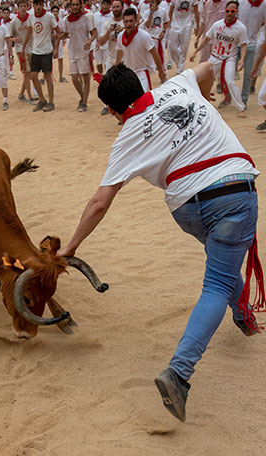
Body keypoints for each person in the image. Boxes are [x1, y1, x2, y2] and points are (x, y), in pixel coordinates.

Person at [58, 61, 261, 423]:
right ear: (142, 84)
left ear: (111, 109)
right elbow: (209, 67)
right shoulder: (179, 84)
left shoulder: (126, 137)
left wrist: (71, 247)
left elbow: (99, 202)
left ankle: (243, 313)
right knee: (218, 278)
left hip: (188, 207)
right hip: (233, 191)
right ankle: (179, 374)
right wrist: (207, 91)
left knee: (221, 266)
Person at [190, 0, 248, 118]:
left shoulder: (240, 28)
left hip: (229, 58)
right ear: (225, 11)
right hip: (215, 57)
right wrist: (195, 52)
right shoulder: (217, 25)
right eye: (228, 10)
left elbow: (243, 45)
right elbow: (206, 39)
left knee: (230, 81)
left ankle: (241, 107)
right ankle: (200, 102)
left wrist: (242, 59)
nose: (230, 13)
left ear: (236, 12)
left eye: (233, 11)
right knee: (203, 79)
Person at [59, 0, 97, 112]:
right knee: (74, 78)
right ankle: (82, 97)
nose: (75, 7)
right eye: (73, 4)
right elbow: (65, 34)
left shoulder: (86, 18)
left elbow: (94, 33)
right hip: (73, 52)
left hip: (84, 52)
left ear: (80, 6)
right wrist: (57, 37)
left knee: (85, 77)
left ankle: (84, 102)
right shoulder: (66, 20)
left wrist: (90, 41)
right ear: (70, 6)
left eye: (77, 4)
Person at [116, 8, 167, 92]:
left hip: (142, 71)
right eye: (126, 21)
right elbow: (119, 57)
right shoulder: (120, 36)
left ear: (136, 21)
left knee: (143, 98)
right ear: (123, 22)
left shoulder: (144, 36)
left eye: (131, 21)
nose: (128, 24)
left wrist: (161, 71)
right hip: (128, 73)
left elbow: (155, 54)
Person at [238, 0, 266, 105]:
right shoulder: (241, 3)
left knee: (248, 74)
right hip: (237, 43)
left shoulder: (265, 6)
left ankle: (243, 100)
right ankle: (227, 97)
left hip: (252, 43)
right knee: (227, 70)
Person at [29, 0, 58, 112]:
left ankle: (51, 102)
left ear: (43, 4)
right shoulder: (31, 17)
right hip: (35, 51)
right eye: (36, 5)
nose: (39, 7)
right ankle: (42, 100)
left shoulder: (49, 16)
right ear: (34, 5)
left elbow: (58, 33)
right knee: (33, 76)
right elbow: (31, 31)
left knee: (47, 77)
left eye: (40, 4)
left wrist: (56, 48)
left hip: (46, 51)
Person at [168, 0, 201, 74]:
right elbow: (170, 12)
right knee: (172, 48)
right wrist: (169, 24)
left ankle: (180, 70)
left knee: (184, 48)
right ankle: (179, 65)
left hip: (187, 25)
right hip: (175, 25)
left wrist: (197, 26)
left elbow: (196, 13)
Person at [196, 0, 231, 64]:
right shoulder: (207, 4)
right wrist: (197, 38)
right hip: (207, 39)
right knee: (203, 64)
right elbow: (203, 22)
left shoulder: (229, 3)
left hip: (222, 40)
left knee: (218, 66)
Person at [9, 0, 34, 105]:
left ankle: (21, 94)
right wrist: (15, 39)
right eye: (21, 6)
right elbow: (8, 38)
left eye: (25, 6)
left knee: (31, 73)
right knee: (27, 73)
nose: (23, 8)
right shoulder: (14, 21)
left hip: (32, 48)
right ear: (17, 8)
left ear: (28, 7)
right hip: (21, 50)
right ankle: (30, 96)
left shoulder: (31, 18)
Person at [143, 0, 169, 68]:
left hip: (160, 39)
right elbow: (147, 25)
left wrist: (163, 31)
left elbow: (166, 22)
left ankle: (164, 76)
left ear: (157, 2)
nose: (151, 4)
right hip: (150, 39)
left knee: (162, 58)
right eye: (149, 2)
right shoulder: (146, 13)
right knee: (149, 60)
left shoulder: (162, 11)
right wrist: (151, 13)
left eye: (153, 1)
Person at [93, 0, 112, 76]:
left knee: (107, 62)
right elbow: (93, 29)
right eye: (104, 4)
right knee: (98, 62)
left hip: (108, 43)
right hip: (96, 43)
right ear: (101, 5)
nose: (105, 6)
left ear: (110, 6)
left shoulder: (112, 16)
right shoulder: (95, 15)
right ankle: (100, 76)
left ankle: (107, 77)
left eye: (107, 4)